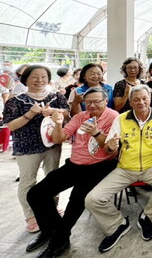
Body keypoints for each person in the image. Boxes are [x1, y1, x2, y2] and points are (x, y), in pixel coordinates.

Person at [26, 87, 118, 258]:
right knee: (35, 194)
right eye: (88, 102)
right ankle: (50, 231)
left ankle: (59, 240)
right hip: (75, 165)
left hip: (99, 166)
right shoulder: (79, 116)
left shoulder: (114, 118)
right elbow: (58, 138)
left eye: (97, 101)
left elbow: (111, 151)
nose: (91, 105)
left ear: (106, 101)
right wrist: (59, 123)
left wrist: (95, 132)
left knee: (76, 200)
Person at [85, 85, 152, 252]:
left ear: (150, 99)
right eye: (136, 99)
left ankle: (148, 217)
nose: (141, 102)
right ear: (131, 102)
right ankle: (117, 224)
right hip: (125, 168)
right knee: (92, 199)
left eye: (144, 98)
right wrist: (111, 147)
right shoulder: (121, 119)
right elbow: (110, 147)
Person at [3, 65, 69, 233]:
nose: (40, 80)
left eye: (43, 77)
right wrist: (31, 114)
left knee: (52, 177)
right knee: (28, 181)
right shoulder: (15, 100)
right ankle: (31, 215)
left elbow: (66, 114)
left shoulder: (56, 97)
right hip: (26, 146)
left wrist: (54, 111)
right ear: (25, 79)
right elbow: (11, 125)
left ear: (48, 79)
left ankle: (52, 208)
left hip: (52, 143)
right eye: (35, 76)